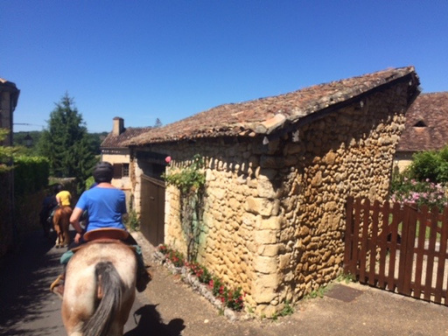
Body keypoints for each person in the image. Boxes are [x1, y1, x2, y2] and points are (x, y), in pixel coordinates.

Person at [50, 161, 150, 296]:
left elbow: (73, 219)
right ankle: (141, 278)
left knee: (69, 255)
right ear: (111, 176)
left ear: (95, 176)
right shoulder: (120, 194)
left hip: (93, 234)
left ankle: (64, 282)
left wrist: (80, 232)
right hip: (117, 233)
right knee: (137, 251)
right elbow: (124, 216)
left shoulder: (87, 194)